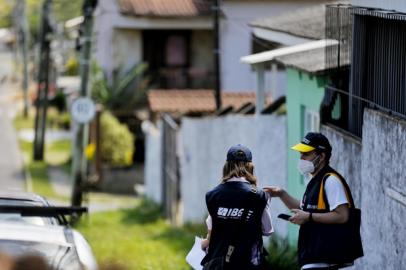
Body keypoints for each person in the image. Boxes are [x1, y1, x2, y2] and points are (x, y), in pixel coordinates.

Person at [264, 132, 357, 270]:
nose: (301, 157)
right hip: (315, 258)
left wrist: (308, 217)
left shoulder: (330, 180)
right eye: (301, 153)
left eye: (306, 154)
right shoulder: (315, 181)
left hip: (329, 261)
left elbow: (342, 215)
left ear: (321, 156)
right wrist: (282, 194)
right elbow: (304, 209)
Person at [201, 144, 273, 270]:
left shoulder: (213, 195)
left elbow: (211, 231)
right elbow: (267, 230)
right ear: (250, 167)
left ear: (226, 167)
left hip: (220, 263)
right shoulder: (260, 195)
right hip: (250, 263)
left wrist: (205, 242)